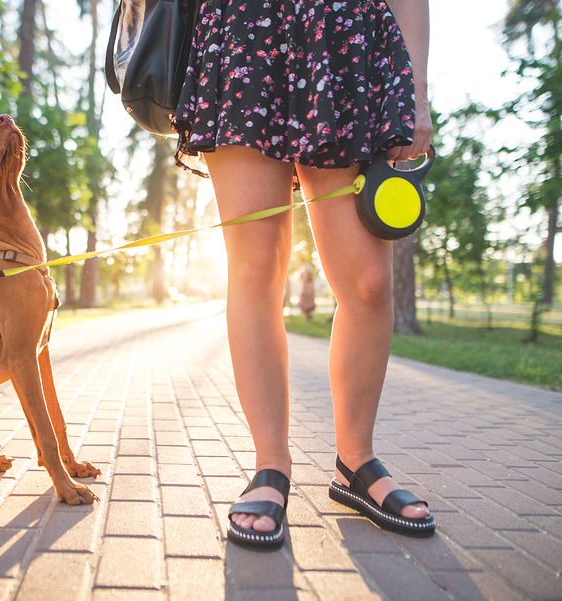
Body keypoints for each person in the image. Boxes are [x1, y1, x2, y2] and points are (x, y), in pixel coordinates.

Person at [172, 0, 435, 549]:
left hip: (343, 40)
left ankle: (355, 461)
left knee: (369, 280)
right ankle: (271, 464)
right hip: (244, 32)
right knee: (256, 263)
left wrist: (416, 90)